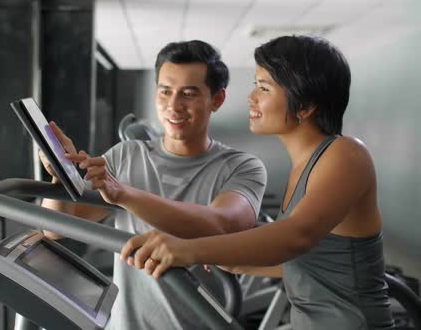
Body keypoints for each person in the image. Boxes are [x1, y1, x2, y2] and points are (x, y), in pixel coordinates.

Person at [121, 35, 395, 329]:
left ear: (305, 106)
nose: (251, 97)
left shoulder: (345, 153)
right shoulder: (303, 168)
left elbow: (295, 237)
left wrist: (188, 249)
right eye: (255, 85)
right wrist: (225, 254)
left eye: (264, 88)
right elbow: (309, 262)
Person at [40, 40, 267, 330]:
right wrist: (61, 176)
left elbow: (223, 226)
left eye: (188, 93)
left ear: (217, 99)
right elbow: (56, 227)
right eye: (165, 91)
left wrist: (124, 194)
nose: (173, 105)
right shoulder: (126, 155)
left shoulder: (241, 167)